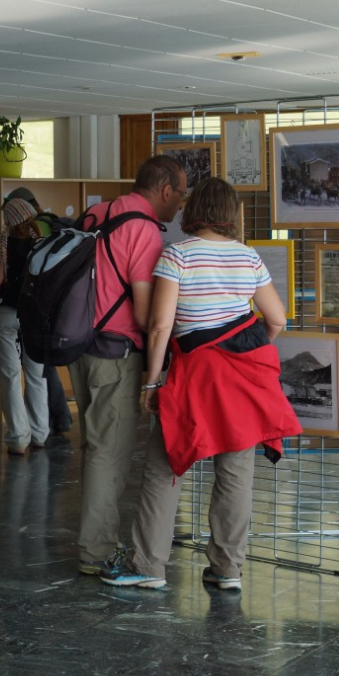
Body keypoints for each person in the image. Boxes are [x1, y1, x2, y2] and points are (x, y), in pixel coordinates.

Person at [103, 178, 299, 590]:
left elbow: (159, 325)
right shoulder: (249, 258)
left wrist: (151, 383)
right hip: (244, 381)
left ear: (193, 211)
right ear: (231, 214)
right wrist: (244, 347)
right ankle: (228, 570)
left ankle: (148, 565)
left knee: (165, 467)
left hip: (195, 379)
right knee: (235, 471)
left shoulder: (177, 255)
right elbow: (277, 319)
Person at [73, 156, 188, 578]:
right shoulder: (142, 232)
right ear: (164, 191)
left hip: (78, 348)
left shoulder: (96, 213)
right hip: (115, 356)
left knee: (93, 445)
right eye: (180, 195)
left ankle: (94, 540)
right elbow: (143, 316)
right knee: (109, 453)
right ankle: (96, 552)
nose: (179, 206)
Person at [3, 187, 73, 436]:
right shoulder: (54, 225)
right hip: (54, 307)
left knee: (31, 370)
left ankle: (51, 421)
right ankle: (47, 427)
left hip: (22, 308)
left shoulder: (29, 233)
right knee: (42, 368)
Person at [0, 197, 49, 455]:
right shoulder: (43, 244)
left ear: (9, 220)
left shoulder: (2, 242)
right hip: (34, 316)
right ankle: (40, 434)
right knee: (36, 375)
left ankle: (18, 439)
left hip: (6, 313)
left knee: (11, 375)